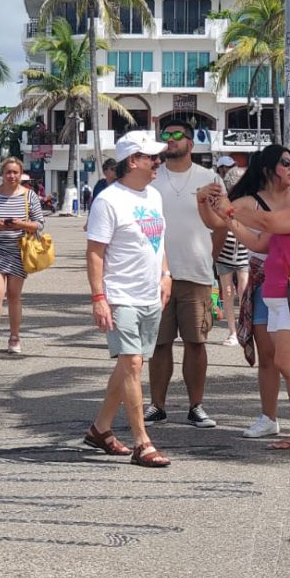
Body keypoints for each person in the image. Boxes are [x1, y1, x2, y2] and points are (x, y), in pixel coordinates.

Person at [212, 163, 290, 456]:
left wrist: (229, 207)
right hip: (281, 296)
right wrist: (227, 217)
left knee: (288, 361)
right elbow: (258, 241)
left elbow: (267, 223)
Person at [84, 130, 173, 468]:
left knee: (127, 365)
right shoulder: (108, 200)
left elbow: (159, 241)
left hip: (151, 293)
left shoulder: (153, 196)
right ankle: (142, 442)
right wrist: (99, 297)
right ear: (132, 161)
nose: (158, 163)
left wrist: (166, 274)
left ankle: (100, 429)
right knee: (133, 363)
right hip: (120, 296)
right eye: (152, 158)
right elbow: (95, 253)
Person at [199, 145, 290, 440]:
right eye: (285, 163)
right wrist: (202, 200)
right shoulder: (249, 202)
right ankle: (269, 417)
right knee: (268, 355)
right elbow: (215, 222)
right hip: (263, 281)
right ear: (269, 169)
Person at [143, 120, 225, 429]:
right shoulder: (150, 179)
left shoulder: (210, 178)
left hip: (197, 274)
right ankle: (158, 406)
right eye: (166, 135)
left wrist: (208, 258)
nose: (171, 139)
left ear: (191, 142)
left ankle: (196, 407)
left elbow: (220, 226)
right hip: (157, 276)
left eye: (178, 135)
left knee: (196, 342)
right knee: (159, 344)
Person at [0, 158, 45, 356]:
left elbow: (39, 224)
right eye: (8, 172)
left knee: (14, 296)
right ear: (1, 174)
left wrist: (20, 224)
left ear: (21, 174)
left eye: (15, 172)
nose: (12, 176)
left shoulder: (29, 196)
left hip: (18, 252)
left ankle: (14, 337)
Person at [215, 227, 249, 347]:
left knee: (243, 292)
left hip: (244, 255)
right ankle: (232, 332)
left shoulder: (246, 208)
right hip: (223, 254)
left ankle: (244, 329)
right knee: (227, 292)